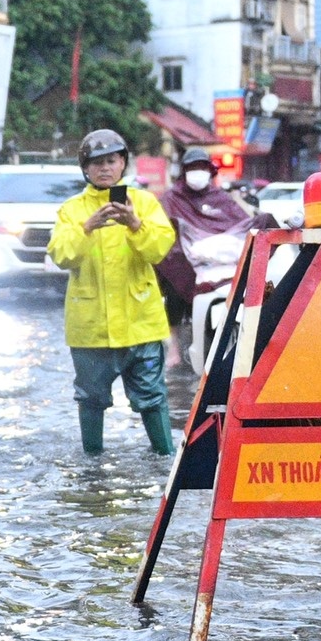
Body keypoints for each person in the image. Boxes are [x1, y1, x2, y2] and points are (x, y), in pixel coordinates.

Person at [47, 128, 177, 457]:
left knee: (152, 395)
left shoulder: (145, 203)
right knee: (90, 398)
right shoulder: (72, 210)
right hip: (91, 328)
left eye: (112, 161)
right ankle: (92, 461)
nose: (105, 168)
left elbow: (160, 249)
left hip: (141, 323)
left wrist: (135, 224)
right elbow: (61, 255)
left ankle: (165, 460)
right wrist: (87, 228)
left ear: (123, 164)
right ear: (85, 169)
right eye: (96, 163)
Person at [156, 145, 264, 366]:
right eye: (193, 168)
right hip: (185, 259)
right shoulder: (171, 197)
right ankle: (174, 344)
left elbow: (240, 222)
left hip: (218, 260)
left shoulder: (220, 197)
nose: (198, 172)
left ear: (210, 171)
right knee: (174, 281)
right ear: (184, 171)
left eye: (201, 167)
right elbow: (161, 227)